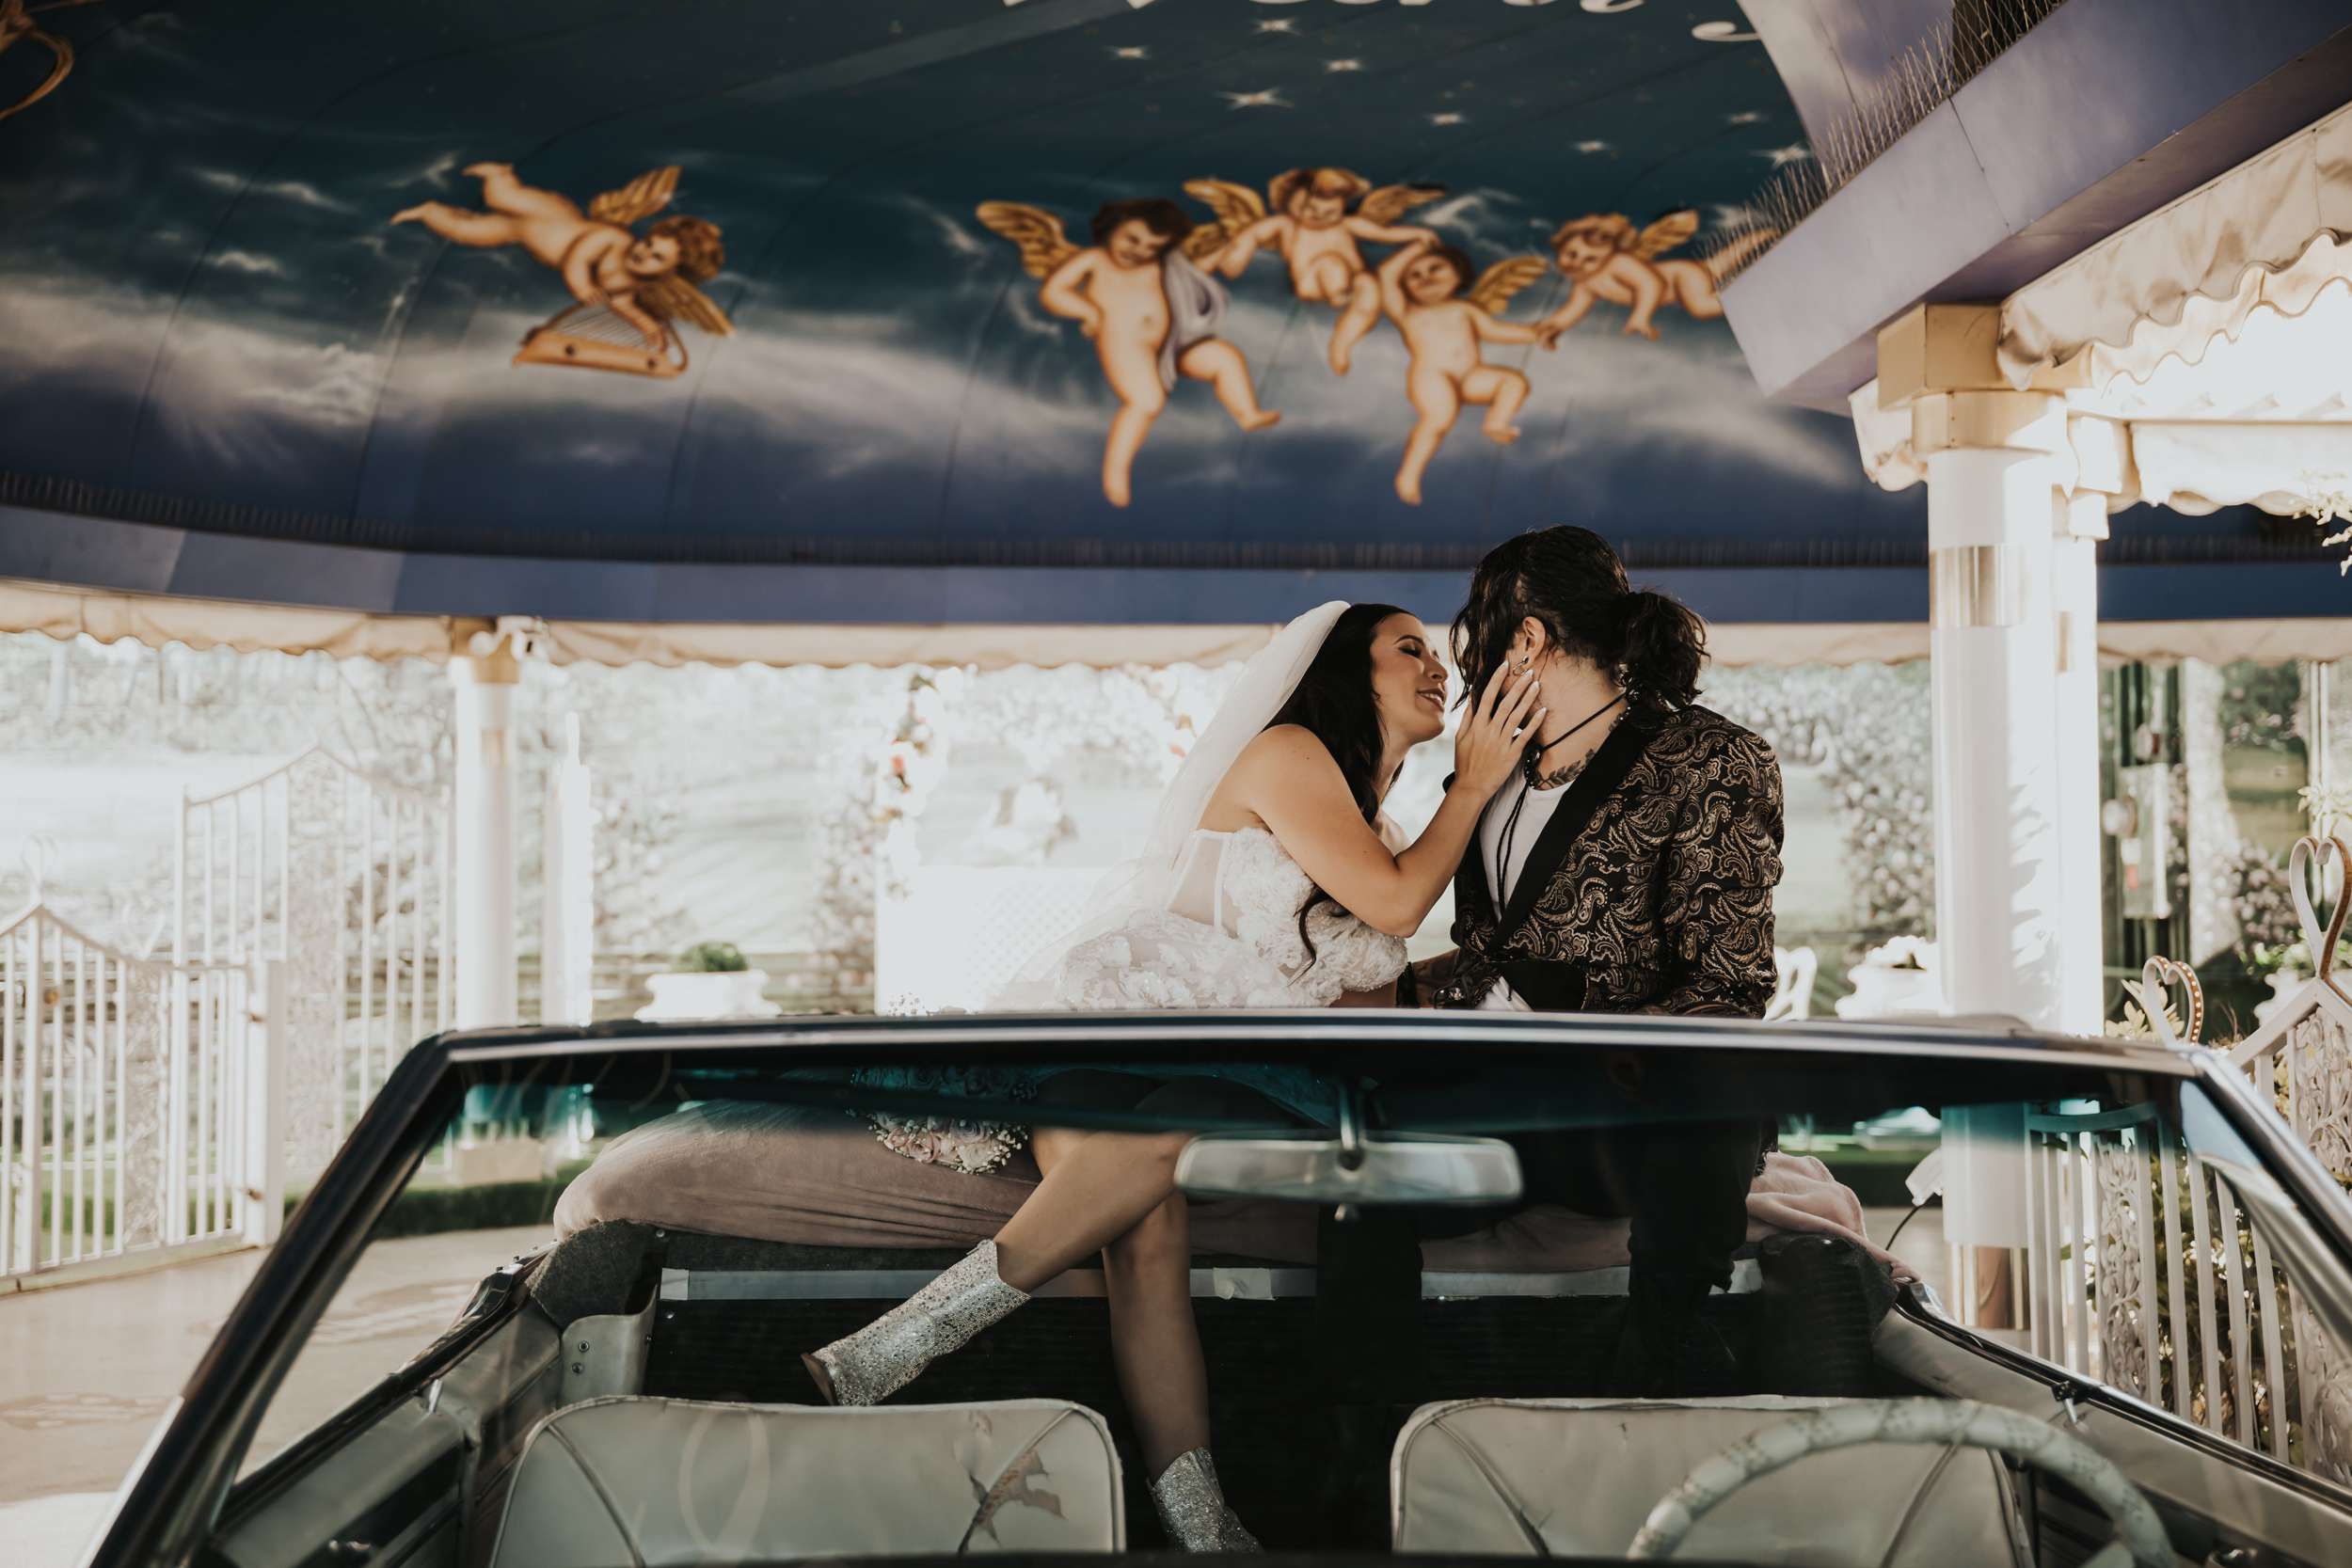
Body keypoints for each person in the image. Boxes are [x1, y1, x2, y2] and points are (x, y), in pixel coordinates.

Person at [801, 602, 1542, 1551]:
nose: (1437, 668)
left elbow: (1359, 984)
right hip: (1124, 1026)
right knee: (1159, 1143)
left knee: (1149, 1225)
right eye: (1409, 649)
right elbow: (1397, 903)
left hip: (1212, 1063)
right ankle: (896, 1346)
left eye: (1436, 655)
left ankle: (1202, 1528)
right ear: (1342, 669)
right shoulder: (1289, 753)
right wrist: (1472, 784)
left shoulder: (1378, 823)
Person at [1414, 524, 1787, 1389]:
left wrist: (1582, 1047)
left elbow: (1728, 985)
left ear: (1526, 638)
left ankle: (1653, 1374)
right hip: (1481, 1093)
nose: (1469, 665)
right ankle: (1365, 1416)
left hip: (1619, 1111)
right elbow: (1479, 951)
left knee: (1716, 1093)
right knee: (1353, 1160)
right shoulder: (1489, 768)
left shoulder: (1710, 758)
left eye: (1480, 636)